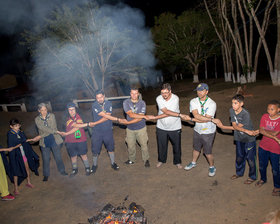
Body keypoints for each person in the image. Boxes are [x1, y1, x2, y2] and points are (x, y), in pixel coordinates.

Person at [214, 94, 259, 183]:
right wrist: (246, 130)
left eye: (235, 103)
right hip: (239, 138)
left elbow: (237, 127)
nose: (233, 105)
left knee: (250, 159)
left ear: (241, 104)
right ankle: (239, 173)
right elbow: (235, 125)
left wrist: (223, 126)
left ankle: (253, 176)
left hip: (249, 139)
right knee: (239, 157)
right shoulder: (231, 110)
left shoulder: (246, 114)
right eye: (232, 103)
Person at [183, 83, 217, 177]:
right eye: (198, 90)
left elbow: (205, 119)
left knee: (207, 152)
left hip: (208, 131)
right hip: (197, 129)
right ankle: (193, 162)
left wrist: (190, 119)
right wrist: (199, 118)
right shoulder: (193, 101)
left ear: (207, 91)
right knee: (196, 148)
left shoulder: (212, 103)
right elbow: (196, 115)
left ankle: (212, 166)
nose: (199, 92)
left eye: (202, 90)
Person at [30, 103, 67, 182]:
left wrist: (40, 136)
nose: (44, 112)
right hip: (44, 142)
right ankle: (46, 175)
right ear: (39, 111)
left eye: (45, 110)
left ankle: (62, 171)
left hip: (54, 140)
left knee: (58, 157)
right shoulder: (37, 119)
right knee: (46, 159)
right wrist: (55, 131)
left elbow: (52, 128)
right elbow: (44, 129)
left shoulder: (52, 116)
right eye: (42, 110)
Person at [150, 83, 182, 168]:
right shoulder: (159, 98)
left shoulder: (175, 98)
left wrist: (155, 117)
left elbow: (168, 113)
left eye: (166, 92)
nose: (164, 95)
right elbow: (165, 111)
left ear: (170, 91)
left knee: (177, 146)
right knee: (161, 145)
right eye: (162, 92)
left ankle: (177, 162)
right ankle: (161, 160)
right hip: (161, 126)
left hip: (175, 126)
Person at [89, 90, 120, 173]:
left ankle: (113, 163)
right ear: (95, 98)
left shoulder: (108, 103)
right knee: (95, 149)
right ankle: (95, 165)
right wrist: (110, 117)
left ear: (104, 96)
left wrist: (95, 123)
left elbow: (107, 116)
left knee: (110, 147)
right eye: (97, 98)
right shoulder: (94, 105)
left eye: (101, 97)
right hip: (97, 131)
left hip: (108, 130)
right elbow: (105, 115)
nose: (99, 99)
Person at [57, 103, 92, 177]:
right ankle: (74, 169)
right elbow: (75, 126)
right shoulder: (66, 119)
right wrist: (88, 124)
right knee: (73, 156)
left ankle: (87, 168)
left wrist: (66, 133)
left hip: (81, 140)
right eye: (70, 110)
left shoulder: (79, 116)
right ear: (67, 111)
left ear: (76, 109)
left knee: (83, 155)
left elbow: (78, 126)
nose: (72, 111)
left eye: (73, 109)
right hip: (70, 141)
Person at [7, 119, 39, 195]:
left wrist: (31, 139)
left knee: (27, 167)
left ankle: (28, 182)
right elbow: (13, 144)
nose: (17, 127)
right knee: (16, 171)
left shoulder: (20, 132)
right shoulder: (10, 134)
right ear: (11, 126)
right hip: (16, 155)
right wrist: (24, 141)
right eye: (15, 126)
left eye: (18, 125)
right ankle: (16, 188)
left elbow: (24, 140)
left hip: (23, 153)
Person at [255, 100, 280, 196]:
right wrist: (271, 135)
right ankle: (263, 179)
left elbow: (274, 133)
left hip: (275, 149)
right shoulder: (265, 116)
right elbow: (261, 130)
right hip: (263, 146)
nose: (269, 111)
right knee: (262, 165)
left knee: (275, 169)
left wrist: (264, 131)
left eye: (272, 109)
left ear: (278, 110)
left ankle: (277, 186)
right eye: (268, 109)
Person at [122, 87, 150, 167]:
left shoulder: (142, 103)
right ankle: (131, 159)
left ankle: (146, 159)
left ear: (138, 94)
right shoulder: (126, 102)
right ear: (130, 94)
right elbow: (130, 114)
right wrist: (143, 116)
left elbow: (140, 118)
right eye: (132, 93)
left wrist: (128, 122)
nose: (134, 95)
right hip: (130, 129)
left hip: (141, 128)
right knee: (130, 145)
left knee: (144, 145)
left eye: (136, 93)